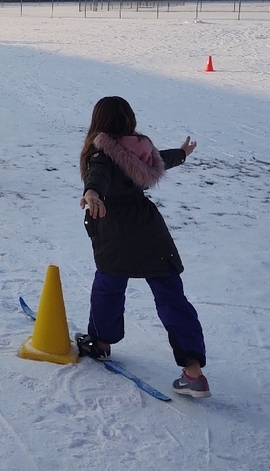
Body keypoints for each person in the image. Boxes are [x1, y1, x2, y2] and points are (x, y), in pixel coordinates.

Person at [77, 96, 209, 398]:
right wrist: (183, 153)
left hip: (115, 231)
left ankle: (100, 343)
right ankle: (194, 372)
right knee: (171, 296)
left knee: (108, 287)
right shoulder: (140, 149)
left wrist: (92, 193)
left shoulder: (101, 150)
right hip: (150, 230)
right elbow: (158, 159)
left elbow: (97, 173)